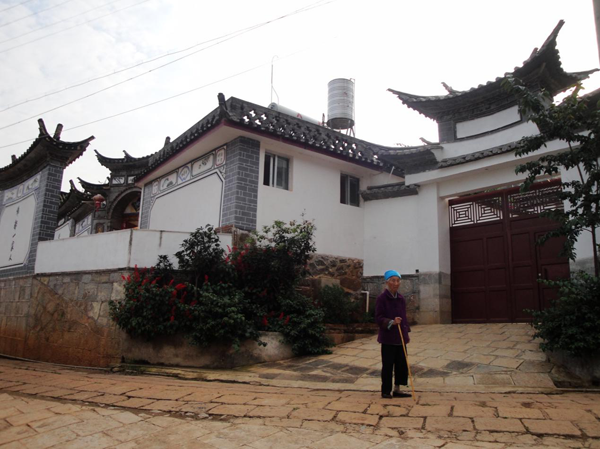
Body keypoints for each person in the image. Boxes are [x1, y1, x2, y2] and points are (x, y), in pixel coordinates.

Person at [375, 269, 411, 399]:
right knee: (388, 365)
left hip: (400, 337)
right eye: (393, 281)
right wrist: (391, 322)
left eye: (398, 281)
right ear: (387, 282)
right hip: (388, 338)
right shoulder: (382, 298)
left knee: (401, 364)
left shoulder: (401, 299)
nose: (396, 283)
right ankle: (386, 390)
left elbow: (404, 317)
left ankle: (397, 389)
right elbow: (378, 318)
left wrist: (406, 332)